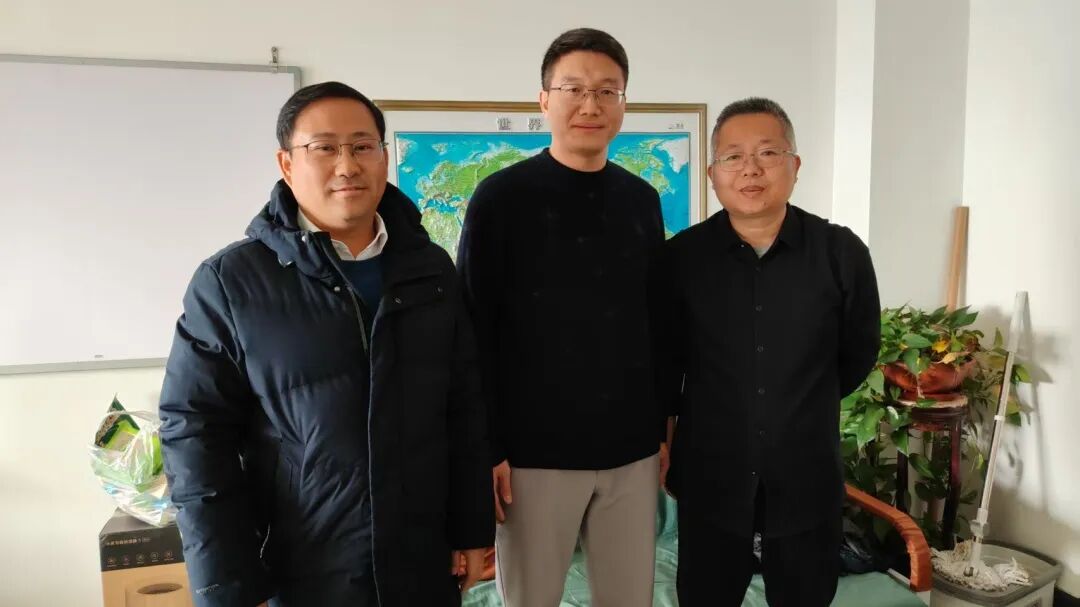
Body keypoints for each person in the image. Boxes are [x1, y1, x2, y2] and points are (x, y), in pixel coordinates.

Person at [158, 81, 493, 607]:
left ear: (383, 158)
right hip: (301, 570)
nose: (347, 165)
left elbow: (464, 406)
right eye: (324, 148)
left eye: (362, 146)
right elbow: (195, 434)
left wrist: (472, 530)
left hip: (421, 563)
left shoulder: (430, 270)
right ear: (287, 164)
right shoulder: (231, 282)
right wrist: (226, 584)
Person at [457, 27, 668, 607]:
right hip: (532, 456)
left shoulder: (641, 200)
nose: (590, 105)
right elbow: (474, 330)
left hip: (631, 451)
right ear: (544, 100)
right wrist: (488, 448)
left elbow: (653, 324)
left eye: (607, 91)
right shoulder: (500, 199)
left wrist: (658, 432)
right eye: (573, 89)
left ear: (623, 103)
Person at [662, 97, 881, 606]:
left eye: (767, 153)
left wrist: (796, 402)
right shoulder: (681, 259)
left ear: (794, 165)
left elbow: (857, 353)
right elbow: (666, 362)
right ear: (713, 174)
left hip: (806, 474)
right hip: (711, 475)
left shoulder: (840, 253)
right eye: (733, 156)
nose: (751, 169)